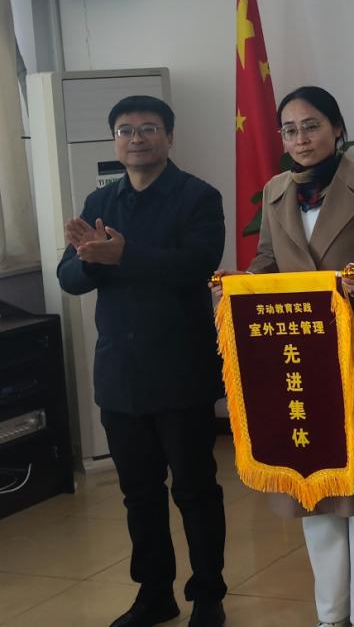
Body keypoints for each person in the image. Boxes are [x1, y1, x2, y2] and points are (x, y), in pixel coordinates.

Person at [215, 85, 354, 627]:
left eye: (311, 126)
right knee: (315, 483)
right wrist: (240, 285)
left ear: (336, 128)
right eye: (290, 130)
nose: (301, 139)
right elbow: (267, 261)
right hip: (301, 359)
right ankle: (332, 612)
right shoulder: (276, 190)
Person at [57, 95, 227, 627]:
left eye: (149, 128)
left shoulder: (198, 196)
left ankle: (208, 595)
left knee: (195, 490)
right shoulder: (100, 200)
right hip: (121, 374)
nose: (136, 138)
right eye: (125, 130)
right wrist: (91, 260)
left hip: (181, 371)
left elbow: (197, 264)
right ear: (115, 141)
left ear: (169, 137)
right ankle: (154, 595)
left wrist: (123, 255)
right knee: (139, 494)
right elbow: (68, 277)